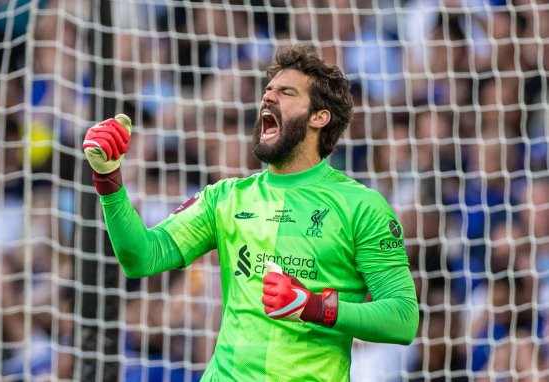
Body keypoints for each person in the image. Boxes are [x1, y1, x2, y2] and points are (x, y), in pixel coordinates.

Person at [82, 45, 419, 381]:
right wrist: (110, 180)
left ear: (319, 116)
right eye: (267, 91)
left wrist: (314, 307)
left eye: (286, 92)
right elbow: (142, 258)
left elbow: (402, 318)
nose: (268, 98)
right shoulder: (225, 198)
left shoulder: (361, 206)